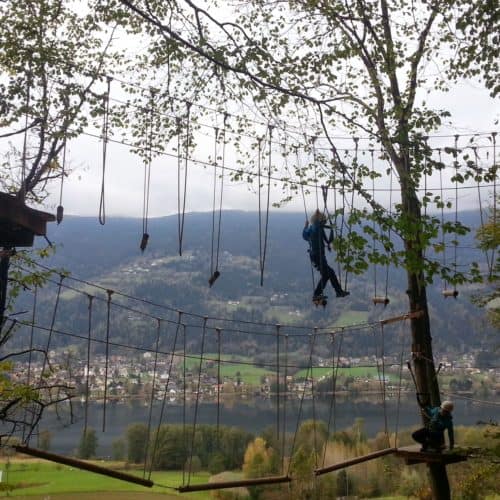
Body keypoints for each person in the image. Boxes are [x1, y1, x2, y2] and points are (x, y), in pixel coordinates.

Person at [302, 209, 349, 304]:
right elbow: (318, 229)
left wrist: (305, 226)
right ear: (320, 221)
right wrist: (329, 226)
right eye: (323, 221)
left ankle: (337, 292)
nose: (324, 222)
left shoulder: (312, 228)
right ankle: (319, 294)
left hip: (316, 256)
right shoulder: (317, 227)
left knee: (329, 273)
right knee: (328, 273)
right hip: (318, 256)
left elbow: (305, 236)